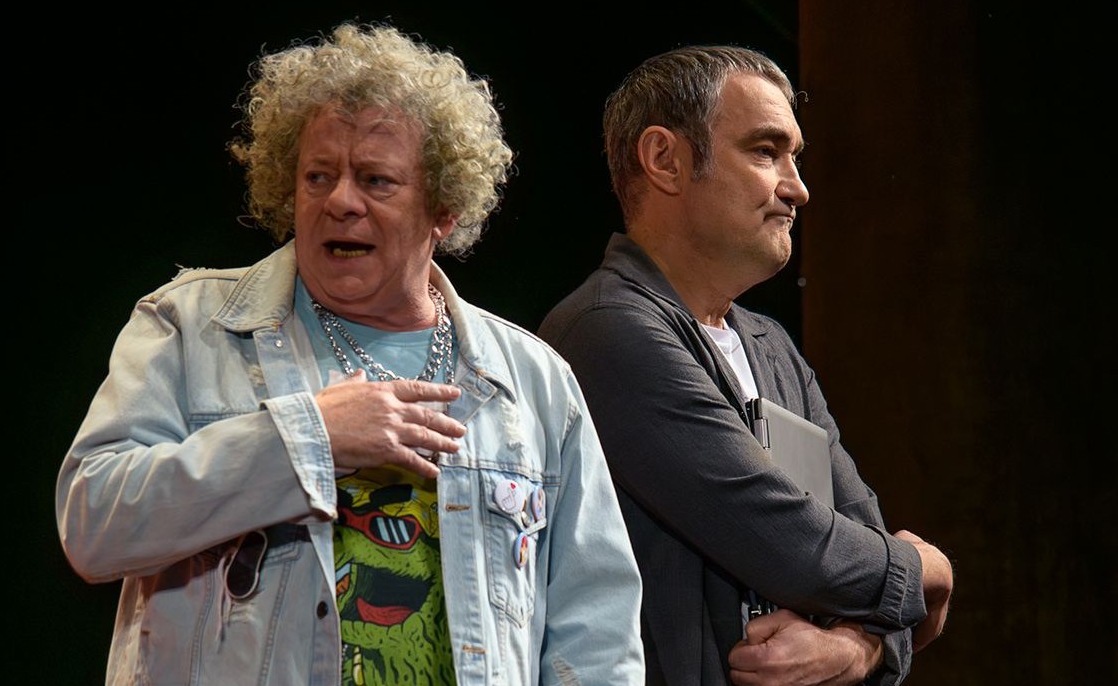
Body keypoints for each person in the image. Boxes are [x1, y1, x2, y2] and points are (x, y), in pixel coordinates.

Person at [56, 23, 645, 686]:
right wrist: (308, 438)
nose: (339, 201)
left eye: (375, 180)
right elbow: (93, 522)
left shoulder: (532, 382)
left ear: (444, 208)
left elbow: (596, 635)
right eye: (318, 176)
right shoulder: (192, 327)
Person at [537, 45, 953, 686]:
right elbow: (798, 546)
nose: (798, 188)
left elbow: (859, 545)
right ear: (665, 160)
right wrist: (929, 571)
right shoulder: (608, 330)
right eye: (765, 151)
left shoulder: (771, 345)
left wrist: (858, 652)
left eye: (795, 158)